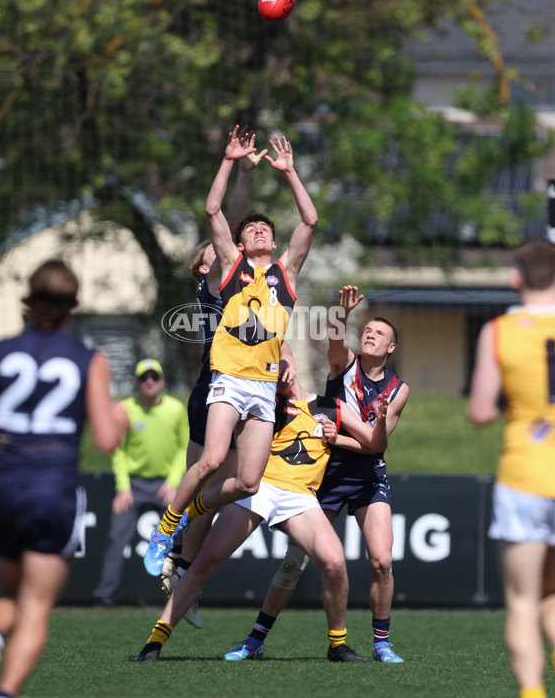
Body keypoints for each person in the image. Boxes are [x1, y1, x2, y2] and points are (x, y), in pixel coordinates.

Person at [145, 124, 317, 576]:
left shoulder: (286, 275)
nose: (259, 229)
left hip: (262, 387)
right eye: (251, 229)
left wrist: (290, 173)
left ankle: (187, 523)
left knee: (246, 482)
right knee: (212, 460)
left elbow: (311, 222)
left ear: (274, 242)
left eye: (266, 228)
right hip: (226, 380)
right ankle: (167, 528)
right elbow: (213, 209)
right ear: (237, 246)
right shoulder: (228, 270)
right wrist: (228, 161)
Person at [136, 360, 389, 663]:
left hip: (300, 498)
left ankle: (337, 645)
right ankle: (155, 641)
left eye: (278, 366)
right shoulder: (264, 401)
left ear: (292, 367)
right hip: (260, 490)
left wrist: (361, 428)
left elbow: (375, 443)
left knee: (335, 564)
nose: (272, 373)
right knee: (206, 562)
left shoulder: (329, 406)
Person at [0, 259, 121, 698]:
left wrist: (1, 426)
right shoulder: (89, 359)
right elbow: (106, 440)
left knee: (9, 593)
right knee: (36, 607)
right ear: (73, 305)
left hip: (5, 486)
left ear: (28, 301)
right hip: (54, 489)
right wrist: (119, 418)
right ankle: (5, 692)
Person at [226, 285, 409, 663]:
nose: (371, 335)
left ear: (391, 348)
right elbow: (336, 344)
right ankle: (255, 641)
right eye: (368, 330)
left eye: (380, 333)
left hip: (368, 475)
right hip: (326, 473)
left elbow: (377, 446)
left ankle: (381, 644)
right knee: (295, 560)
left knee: (382, 562)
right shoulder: (346, 366)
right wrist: (340, 313)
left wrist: (339, 436)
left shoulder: (397, 389)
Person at [468, 238, 555, 698]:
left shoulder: (498, 331)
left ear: (516, 278)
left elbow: (481, 412)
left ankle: (533, 692)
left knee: (524, 601)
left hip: (525, 477)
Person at [92, 358, 188, 608]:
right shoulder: (125, 409)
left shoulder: (175, 409)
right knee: (116, 538)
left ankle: (185, 596)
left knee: (183, 538)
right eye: (143, 377)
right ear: (136, 382)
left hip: (166, 486)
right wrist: (123, 487)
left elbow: (183, 448)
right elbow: (119, 451)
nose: (149, 382)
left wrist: (173, 482)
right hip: (133, 485)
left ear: (162, 381)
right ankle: (104, 597)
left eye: (154, 377)